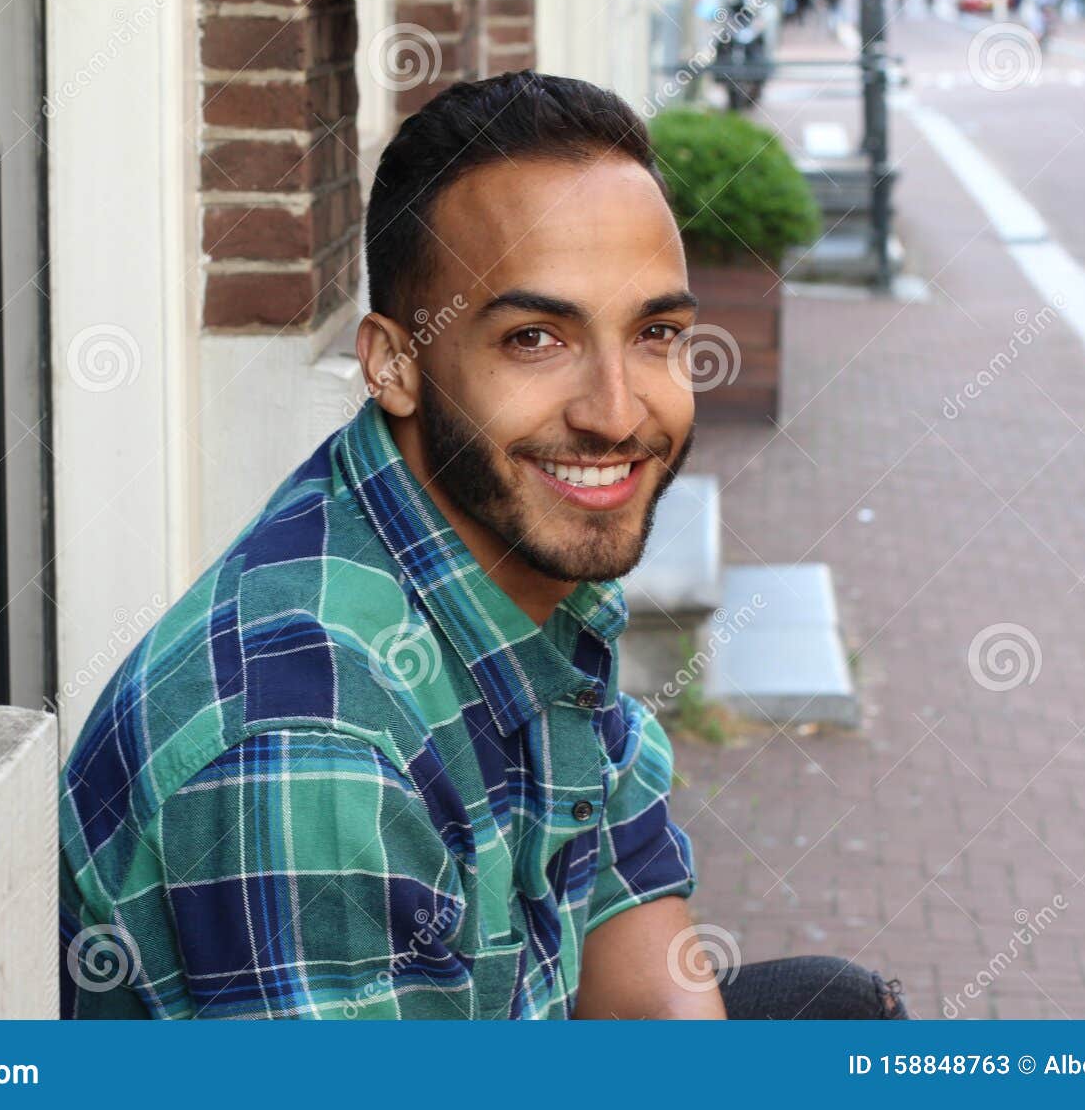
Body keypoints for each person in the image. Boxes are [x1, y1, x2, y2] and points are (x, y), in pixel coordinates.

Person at [57, 70, 911, 1022]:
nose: (616, 412)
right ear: (394, 363)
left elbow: (638, 944)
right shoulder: (312, 749)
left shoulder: (509, 561)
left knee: (838, 1010)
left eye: (655, 333)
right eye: (536, 338)